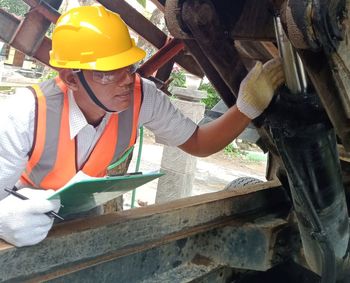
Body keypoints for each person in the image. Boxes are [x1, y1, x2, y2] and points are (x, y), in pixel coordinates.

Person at [0, 5, 284, 247]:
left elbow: (199, 142)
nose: (125, 79)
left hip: (83, 220)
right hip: (24, 223)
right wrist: (3, 219)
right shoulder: (24, 114)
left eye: (128, 66)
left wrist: (246, 108)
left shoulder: (141, 96)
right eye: (109, 72)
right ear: (71, 78)